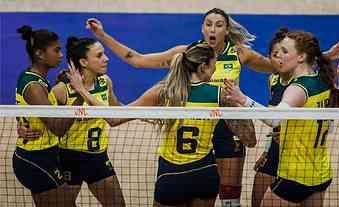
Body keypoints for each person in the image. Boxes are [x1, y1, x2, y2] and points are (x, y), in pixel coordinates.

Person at [85, 9, 339, 206]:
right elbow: (137, 59)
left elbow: (281, 65)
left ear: (226, 30)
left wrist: (322, 57)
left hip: (228, 126)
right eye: (208, 24)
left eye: (218, 25)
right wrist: (103, 34)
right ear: (203, 28)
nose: (212, 29)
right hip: (197, 126)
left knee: (229, 194)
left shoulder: (240, 54)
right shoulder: (186, 54)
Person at [66, 42, 256, 207]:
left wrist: (82, 90)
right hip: (205, 174)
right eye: (214, 65)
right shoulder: (220, 94)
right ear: (203, 67)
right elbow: (250, 139)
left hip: (172, 175)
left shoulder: (165, 91)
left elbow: (114, 119)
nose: (216, 70)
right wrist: (236, 106)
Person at [224, 30, 339, 207]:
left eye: (285, 51)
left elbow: (274, 120)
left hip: (295, 175)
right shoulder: (322, 80)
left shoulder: (297, 89)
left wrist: (242, 99)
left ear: (301, 57)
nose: (278, 56)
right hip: (321, 174)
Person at [52, 36, 126, 207]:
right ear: (84, 62)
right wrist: (23, 125)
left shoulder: (105, 82)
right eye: (99, 55)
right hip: (68, 159)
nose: (106, 58)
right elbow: (38, 114)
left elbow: (116, 109)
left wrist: (146, 114)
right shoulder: (62, 90)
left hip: (97, 158)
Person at [13, 25, 81, 207]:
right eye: (56, 50)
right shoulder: (34, 86)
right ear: (40, 54)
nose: (61, 55)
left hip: (45, 155)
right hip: (35, 159)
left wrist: (58, 82)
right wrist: (80, 96)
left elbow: (28, 109)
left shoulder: (37, 80)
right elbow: (57, 129)